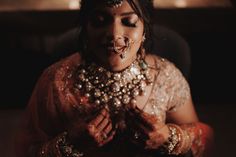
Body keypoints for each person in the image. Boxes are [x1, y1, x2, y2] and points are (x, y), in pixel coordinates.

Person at [15, 0, 214, 157]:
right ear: (86, 28)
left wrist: (168, 138)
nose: (114, 34)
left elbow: (201, 136)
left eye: (129, 22)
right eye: (100, 21)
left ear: (144, 29)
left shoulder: (166, 76)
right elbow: (27, 150)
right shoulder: (56, 80)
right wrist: (70, 145)